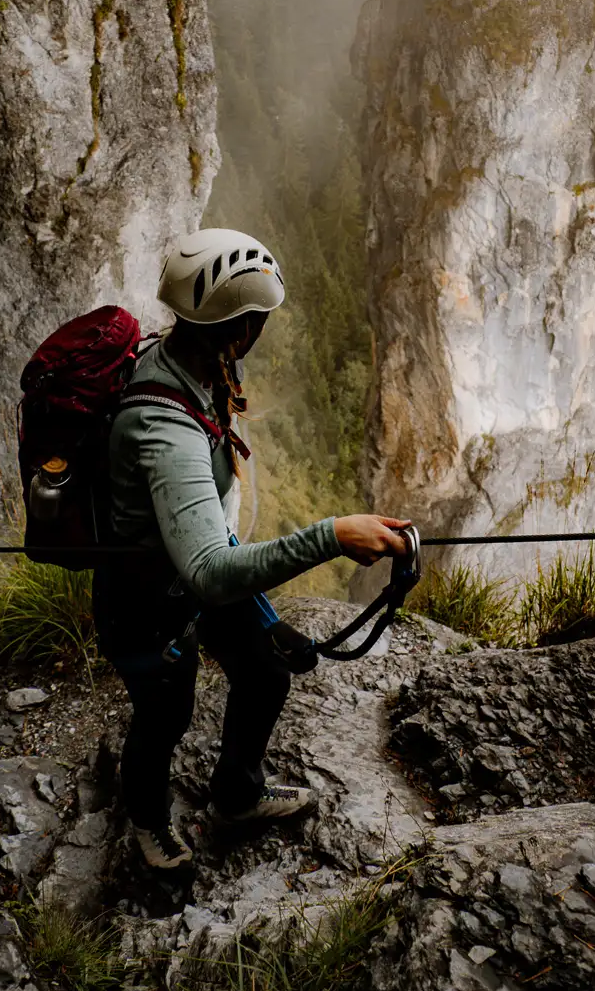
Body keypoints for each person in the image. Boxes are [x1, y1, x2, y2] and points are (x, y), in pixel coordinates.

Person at [92, 227, 410, 870]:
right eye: (259, 322)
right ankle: (149, 826)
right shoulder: (165, 427)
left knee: (266, 667)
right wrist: (332, 535)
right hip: (148, 604)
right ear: (239, 330)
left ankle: (236, 797)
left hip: (182, 577)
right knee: (165, 711)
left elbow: (207, 532)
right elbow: (209, 572)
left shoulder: (195, 361)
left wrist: (265, 617)